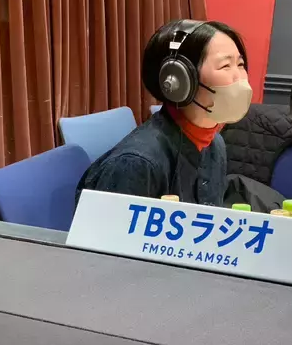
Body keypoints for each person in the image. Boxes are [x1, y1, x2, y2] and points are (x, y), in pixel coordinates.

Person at [75, 20, 252, 206]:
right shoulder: (138, 164)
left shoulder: (215, 145)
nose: (240, 77)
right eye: (225, 66)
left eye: (240, 64)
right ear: (180, 80)